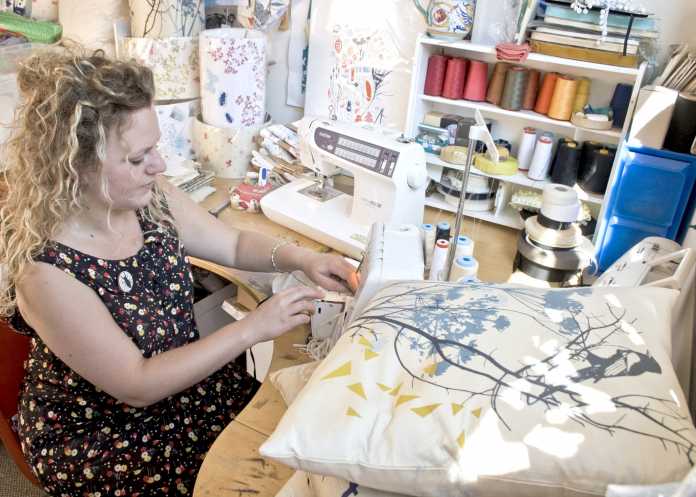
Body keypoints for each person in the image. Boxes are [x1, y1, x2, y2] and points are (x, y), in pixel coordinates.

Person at [0, 47, 356, 497]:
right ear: (76, 165)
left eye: (155, 148)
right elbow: (137, 384)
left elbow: (232, 243)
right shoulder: (46, 272)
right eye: (138, 158)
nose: (159, 165)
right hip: (107, 432)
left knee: (297, 436)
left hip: (184, 386)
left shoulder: (146, 196)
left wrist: (302, 258)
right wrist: (252, 328)